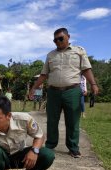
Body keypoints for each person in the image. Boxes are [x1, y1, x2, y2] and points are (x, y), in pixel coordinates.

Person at [29, 28, 99, 158]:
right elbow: (44, 74)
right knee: (52, 120)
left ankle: (73, 147)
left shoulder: (79, 51)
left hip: (72, 91)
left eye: (60, 38)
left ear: (68, 37)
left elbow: (86, 69)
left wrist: (93, 84)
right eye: (55, 40)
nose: (58, 41)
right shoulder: (50, 55)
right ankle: (50, 145)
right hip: (53, 92)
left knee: (72, 121)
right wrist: (33, 88)